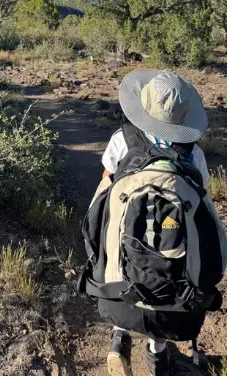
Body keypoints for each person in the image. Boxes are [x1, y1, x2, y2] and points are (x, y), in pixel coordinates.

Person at [85, 70, 224, 376]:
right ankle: (157, 352)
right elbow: (206, 216)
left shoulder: (122, 140)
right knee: (165, 270)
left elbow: (103, 200)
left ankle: (119, 336)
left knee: (121, 254)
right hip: (175, 288)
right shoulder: (194, 154)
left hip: (120, 281)